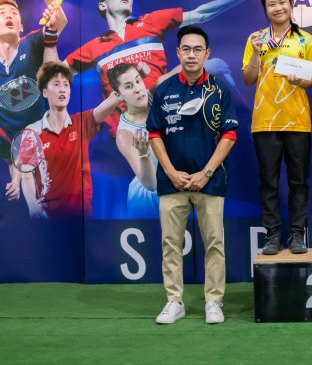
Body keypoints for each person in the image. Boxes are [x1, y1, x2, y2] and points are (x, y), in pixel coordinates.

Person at [65, 0, 261, 130]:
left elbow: (201, 14)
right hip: (125, 132)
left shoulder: (151, 21)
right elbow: (57, 74)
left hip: (164, 120)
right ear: (102, 5)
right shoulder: (94, 47)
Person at [147, 25, 238, 325]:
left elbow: (229, 135)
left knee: (214, 244)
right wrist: (170, 171)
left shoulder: (219, 90)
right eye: (186, 49)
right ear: (177, 53)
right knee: (170, 245)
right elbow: (154, 133)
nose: (191, 55)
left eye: (197, 49)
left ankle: (214, 301)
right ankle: (174, 301)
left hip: (210, 181)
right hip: (171, 182)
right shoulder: (164, 90)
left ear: (207, 53)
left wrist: (206, 172)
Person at [241, 0, 312, 255]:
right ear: (265, 9)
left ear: (291, 4)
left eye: (282, 2)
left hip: (297, 120)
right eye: (272, 4)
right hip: (265, 121)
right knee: (269, 182)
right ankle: (272, 235)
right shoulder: (256, 39)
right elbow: (248, 79)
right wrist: (256, 53)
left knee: (299, 181)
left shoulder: (306, 40)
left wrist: (300, 80)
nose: (278, 8)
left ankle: (298, 234)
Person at [17, 62, 119, 218]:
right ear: (45, 92)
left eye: (66, 84)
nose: (62, 89)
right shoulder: (32, 132)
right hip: (48, 218)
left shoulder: (82, 122)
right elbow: (26, 175)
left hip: (82, 216)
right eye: (56, 84)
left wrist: (127, 85)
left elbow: (110, 102)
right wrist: (33, 207)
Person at [3, 0, 66, 201]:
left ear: (21, 26)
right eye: (2, 14)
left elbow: (59, 21)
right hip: (21, 153)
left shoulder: (31, 42)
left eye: (13, 14)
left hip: (50, 138)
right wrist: (15, 178)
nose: (8, 16)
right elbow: (7, 143)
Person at [107, 63, 159, 218]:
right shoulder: (125, 134)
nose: (137, 89)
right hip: (148, 202)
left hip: (178, 189)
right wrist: (144, 153)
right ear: (119, 95)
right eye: (128, 86)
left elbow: (181, 73)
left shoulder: (155, 95)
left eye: (138, 81)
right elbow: (150, 185)